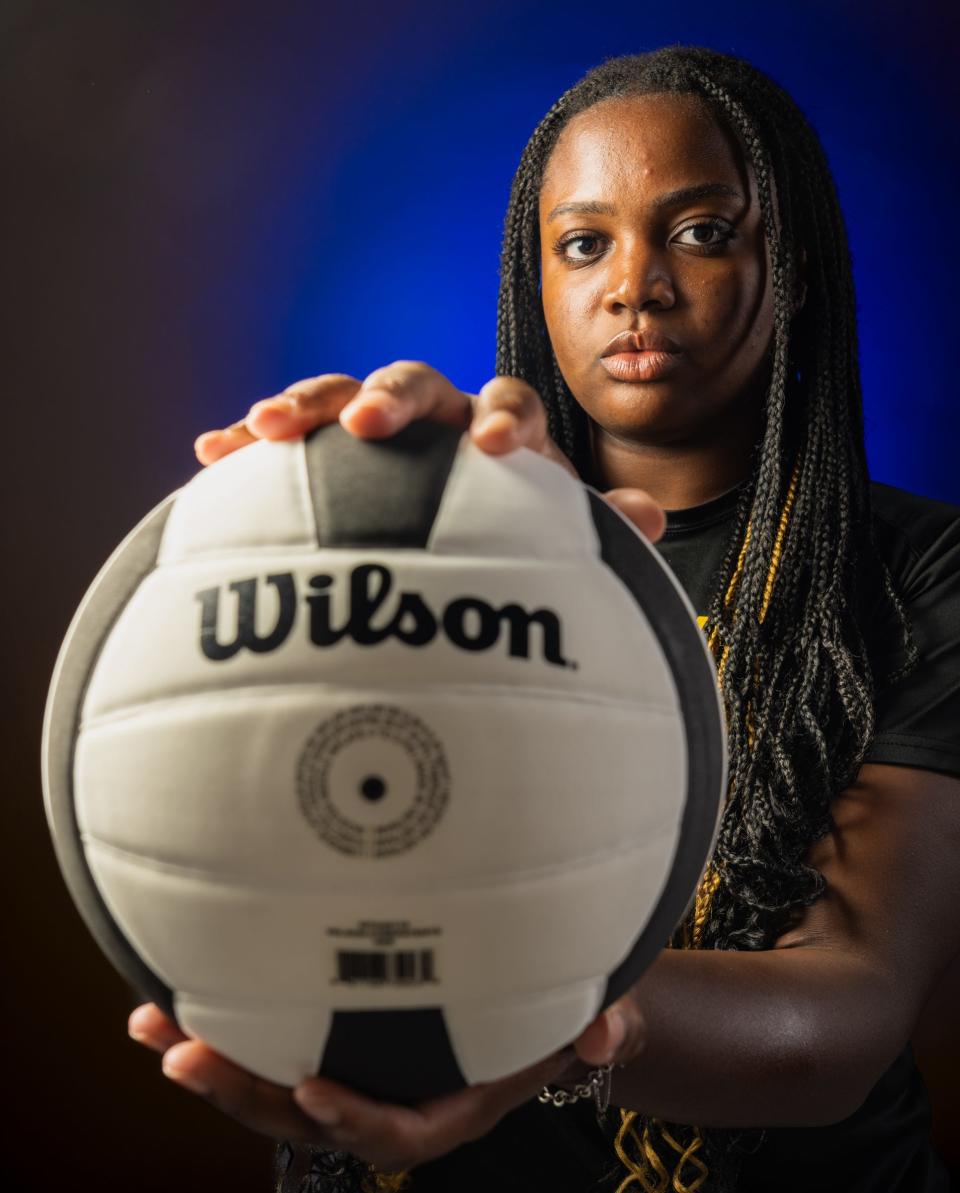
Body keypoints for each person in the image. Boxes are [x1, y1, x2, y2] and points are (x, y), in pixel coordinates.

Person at [125, 46, 960, 1193]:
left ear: (797, 265)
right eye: (585, 242)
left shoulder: (919, 570)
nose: (636, 284)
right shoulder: (430, 546)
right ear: (540, 280)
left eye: (703, 231)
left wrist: (513, 1018)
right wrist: (351, 519)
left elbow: (843, 1017)